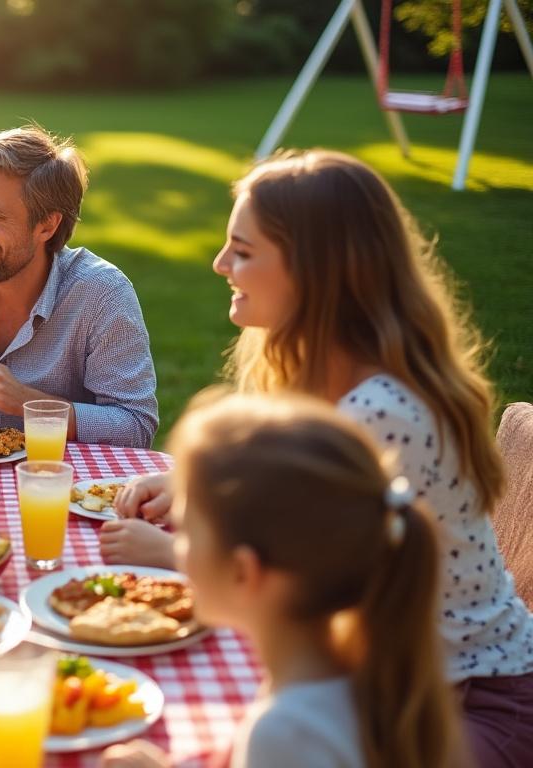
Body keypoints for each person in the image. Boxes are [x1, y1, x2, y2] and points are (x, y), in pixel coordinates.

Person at [102, 150, 533, 765]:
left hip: (464, 703)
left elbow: (304, 571)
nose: (221, 264)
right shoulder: (324, 375)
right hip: (380, 680)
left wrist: (171, 552)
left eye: (243, 251)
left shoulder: (383, 412)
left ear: (317, 272)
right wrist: (191, 489)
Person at [100, 393, 464, 768]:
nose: (178, 547)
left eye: (186, 531)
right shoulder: (346, 674)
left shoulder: (286, 733)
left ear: (243, 572)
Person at [0, 125, 157, 447]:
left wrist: (28, 404)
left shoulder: (102, 294)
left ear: (47, 225)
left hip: (54, 479)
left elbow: (135, 426)